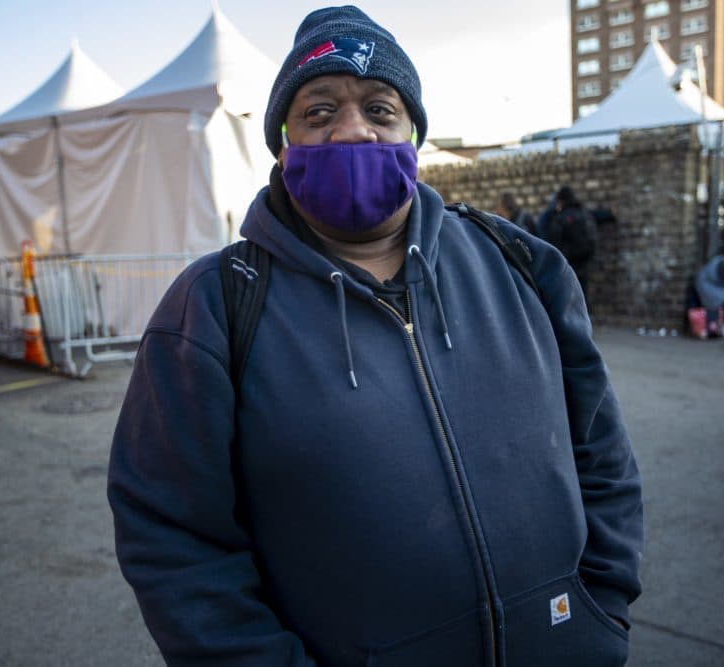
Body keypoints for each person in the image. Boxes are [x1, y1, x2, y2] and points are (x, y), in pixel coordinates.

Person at [107, 6, 643, 667]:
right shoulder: (213, 308)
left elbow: (604, 452)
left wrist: (602, 608)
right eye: (319, 111)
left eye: (380, 109)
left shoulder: (523, 264)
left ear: (414, 133)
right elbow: (171, 537)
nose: (352, 131)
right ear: (283, 145)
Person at [538, 185, 597, 303]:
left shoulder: (560, 218)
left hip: (568, 266)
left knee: (568, 302)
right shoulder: (585, 214)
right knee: (582, 301)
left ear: (561, 201)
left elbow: (554, 244)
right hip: (585, 264)